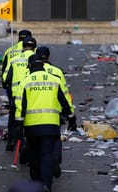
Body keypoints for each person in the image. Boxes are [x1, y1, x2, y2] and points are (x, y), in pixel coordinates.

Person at [14, 54, 77, 192]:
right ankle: (46, 186)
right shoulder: (54, 80)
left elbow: (20, 105)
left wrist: (19, 124)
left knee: (34, 155)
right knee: (47, 155)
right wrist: (71, 117)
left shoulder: (25, 81)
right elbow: (64, 101)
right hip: (51, 124)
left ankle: (35, 184)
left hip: (32, 126)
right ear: (43, 65)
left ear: (29, 66)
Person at [36, 46, 76, 177]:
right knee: (55, 137)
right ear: (48, 56)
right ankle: (55, 157)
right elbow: (64, 94)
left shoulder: (31, 71)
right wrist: (70, 114)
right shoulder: (57, 72)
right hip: (54, 111)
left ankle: (39, 162)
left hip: (33, 113)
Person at [2, 37, 37, 152]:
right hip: (32, 93)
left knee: (14, 118)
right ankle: (29, 143)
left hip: (16, 94)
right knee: (31, 117)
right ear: (34, 47)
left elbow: (6, 77)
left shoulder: (15, 59)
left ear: (22, 47)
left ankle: (13, 140)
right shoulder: (36, 60)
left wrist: (9, 87)